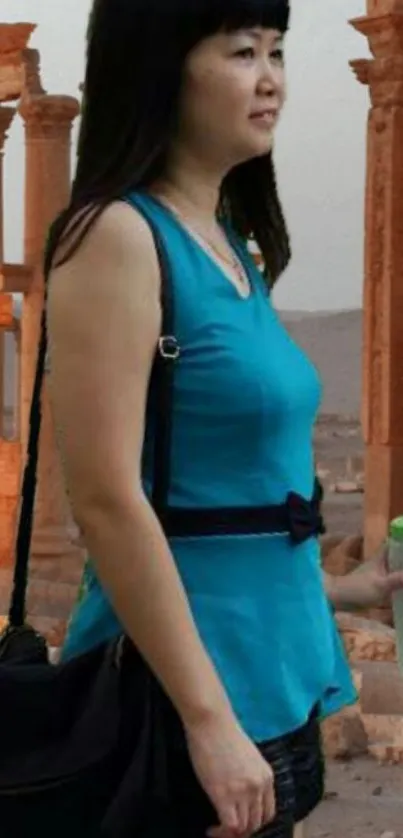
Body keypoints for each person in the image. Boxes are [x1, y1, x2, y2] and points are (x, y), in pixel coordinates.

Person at [45, 1, 403, 836]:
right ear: (160, 68)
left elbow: (220, 494)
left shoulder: (231, 241)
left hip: (275, 676)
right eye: (242, 51)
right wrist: (208, 724)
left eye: (278, 50)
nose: (271, 77)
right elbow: (105, 499)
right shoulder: (117, 236)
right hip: (187, 704)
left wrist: (344, 588)